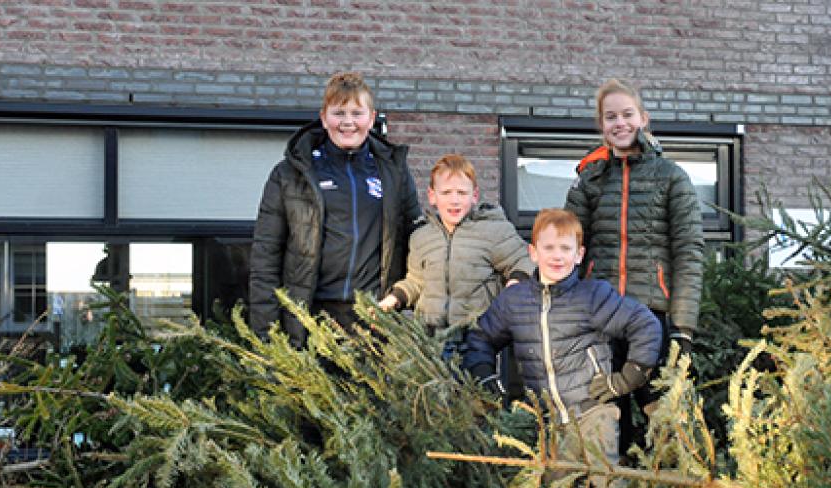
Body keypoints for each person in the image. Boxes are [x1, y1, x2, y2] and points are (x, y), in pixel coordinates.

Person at [563, 78, 705, 455]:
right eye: (610, 117)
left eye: (627, 114)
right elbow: (569, 244)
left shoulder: (672, 178)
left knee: (662, 414)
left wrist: (684, 327)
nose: (620, 123)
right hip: (601, 314)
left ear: (643, 118)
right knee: (608, 416)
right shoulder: (590, 179)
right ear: (601, 125)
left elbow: (689, 251)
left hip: (651, 315)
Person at [463, 209, 662, 464]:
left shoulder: (592, 295)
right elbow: (481, 337)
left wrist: (629, 377)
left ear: (579, 255)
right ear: (533, 252)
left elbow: (644, 324)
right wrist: (484, 374)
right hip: (546, 421)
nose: (557, 256)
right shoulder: (514, 301)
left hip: (593, 412)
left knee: (604, 487)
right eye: (549, 248)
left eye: (566, 249)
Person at [249, 72, 421, 347]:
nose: (348, 122)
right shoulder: (290, 174)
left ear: (372, 117)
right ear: (323, 117)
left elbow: (418, 241)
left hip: (374, 320)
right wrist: (267, 337)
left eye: (357, 112)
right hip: (309, 320)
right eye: (339, 112)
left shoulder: (394, 172)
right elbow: (265, 258)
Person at [379, 154, 535, 355]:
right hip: (430, 341)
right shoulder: (421, 237)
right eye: (446, 193)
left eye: (462, 193)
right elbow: (416, 281)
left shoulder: (494, 231)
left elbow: (525, 260)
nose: (454, 200)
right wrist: (395, 297)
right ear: (432, 196)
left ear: (474, 195)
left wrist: (515, 282)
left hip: (477, 338)